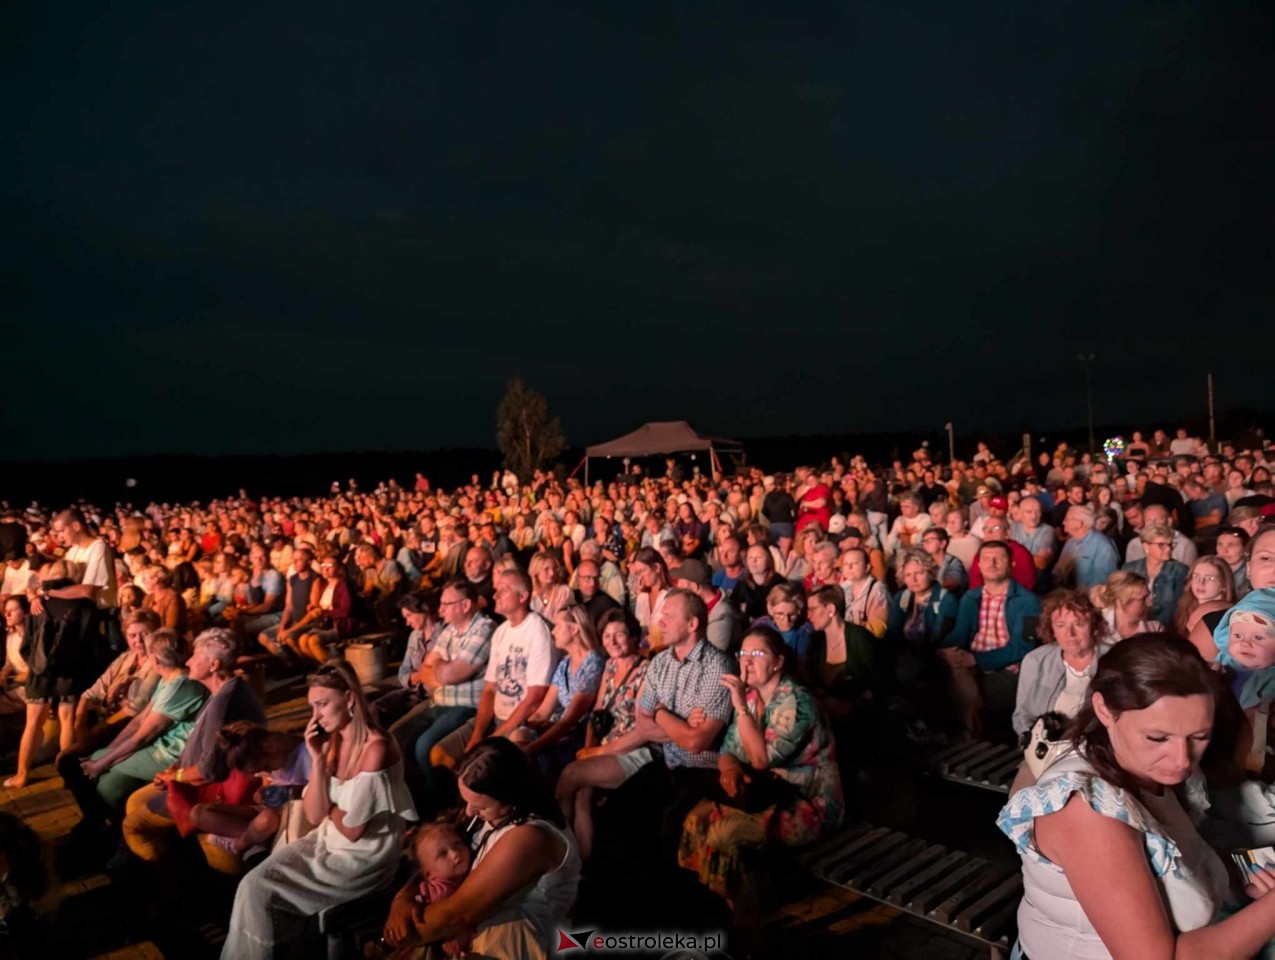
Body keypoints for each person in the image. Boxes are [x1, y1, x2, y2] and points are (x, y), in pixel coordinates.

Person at [996, 633, 1275, 958]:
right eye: (1157, 737)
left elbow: (1177, 862)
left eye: (1200, 736)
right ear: (1103, 709)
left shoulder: (1150, 766)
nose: (1182, 760)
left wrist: (1234, 880)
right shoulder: (1087, 811)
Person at [220, 662, 417, 960]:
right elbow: (314, 815)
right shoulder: (332, 740)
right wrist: (317, 760)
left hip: (364, 856)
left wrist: (329, 807)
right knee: (250, 886)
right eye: (312, 707)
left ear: (349, 698)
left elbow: (353, 830)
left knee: (262, 893)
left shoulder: (377, 748)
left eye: (322, 704)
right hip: (327, 839)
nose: (316, 716)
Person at [678, 625, 843, 917]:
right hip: (765, 794)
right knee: (694, 820)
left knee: (724, 835)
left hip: (805, 802)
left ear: (778, 661)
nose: (746, 661)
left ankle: (746, 917)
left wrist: (739, 707)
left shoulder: (797, 701)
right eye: (743, 653)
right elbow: (727, 751)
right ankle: (715, 907)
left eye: (758, 653)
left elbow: (760, 760)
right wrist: (729, 771)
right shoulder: (753, 698)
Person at [381, 738, 579, 960]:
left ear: (509, 797)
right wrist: (403, 899)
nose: (469, 812)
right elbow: (432, 862)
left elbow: (457, 914)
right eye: (467, 802)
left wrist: (393, 936)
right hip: (481, 930)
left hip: (519, 939)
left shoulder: (529, 838)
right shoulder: (490, 816)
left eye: (480, 806)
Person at [120, 628, 267, 871]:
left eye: (195, 657)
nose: (188, 661)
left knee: (134, 826)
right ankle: (183, 860)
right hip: (199, 780)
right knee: (136, 800)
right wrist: (176, 767)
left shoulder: (225, 703)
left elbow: (209, 771)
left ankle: (170, 879)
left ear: (213, 664)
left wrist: (173, 777)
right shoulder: (226, 690)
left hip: (212, 790)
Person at [59, 629, 208, 834]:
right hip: (158, 745)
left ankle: (117, 833)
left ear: (155, 659)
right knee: (84, 765)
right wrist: (107, 751)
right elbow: (138, 721)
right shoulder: (168, 679)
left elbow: (143, 735)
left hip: (169, 753)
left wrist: (101, 762)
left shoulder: (180, 684)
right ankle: (99, 825)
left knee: (106, 784)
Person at [427, 570, 553, 783]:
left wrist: (497, 735)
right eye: (496, 591)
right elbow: (489, 690)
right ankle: (459, 807)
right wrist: (477, 735)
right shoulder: (502, 632)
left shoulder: (537, 631)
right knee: (439, 755)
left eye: (503, 591)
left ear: (522, 597)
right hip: (496, 717)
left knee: (493, 765)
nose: (495, 596)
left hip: (522, 722)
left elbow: (534, 698)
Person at [556, 609, 649, 860]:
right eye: (607, 636)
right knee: (583, 795)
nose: (613, 642)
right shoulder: (608, 666)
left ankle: (556, 847)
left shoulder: (646, 670)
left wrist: (595, 752)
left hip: (634, 752)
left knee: (570, 774)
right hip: (604, 749)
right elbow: (598, 713)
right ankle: (580, 862)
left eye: (619, 635)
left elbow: (642, 730)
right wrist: (588, 749)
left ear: (633, 637)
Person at [941, 541, 1042, 737]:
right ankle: (967, 734)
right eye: (986, 559)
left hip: (1008, 667)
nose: (992, 563)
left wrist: (977, 659)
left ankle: (970, 734)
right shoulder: (971, 597)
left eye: (999, 559)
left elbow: (1023, 647)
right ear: (978, 565)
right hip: (970, 662)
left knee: (978, 693)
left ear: (1011, 563)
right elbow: (959, 634)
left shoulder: (1028, 601)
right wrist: (945, 650)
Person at [513, 605, 605, 767]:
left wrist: (530, 749)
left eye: (557, 626)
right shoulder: (565, 664)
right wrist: (522, 729)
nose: (553, 631)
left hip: (579, 734)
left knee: (524, 754)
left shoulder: (594, 662)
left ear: (574, 629)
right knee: (517, 738)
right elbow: (542, 713)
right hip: (560, 728)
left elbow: (570, 719)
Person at [1011, 590, 1111, 736]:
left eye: (1078, 624)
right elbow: (1022, 716)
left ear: (1094, 627)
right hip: (1045, 750)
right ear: (1052, 629)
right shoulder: (1035, 661)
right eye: (1060, 625)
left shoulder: (1115, 659)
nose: (1069, 634)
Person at [886, 548, 958, 683]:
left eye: (919, 573)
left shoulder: (946, 599)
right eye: (908, 575)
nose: (913, 579)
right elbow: (892, 634)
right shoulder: (901, 597)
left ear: (930, 572)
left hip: (931, 659)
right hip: (902, 655)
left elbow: (937, 638)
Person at [288, 553, 357, 666]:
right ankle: (321, 665)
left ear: (338, 568)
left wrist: (323, 612)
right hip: (324, 624)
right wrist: (314, 607)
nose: (326, 568)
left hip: (338, 624)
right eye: (323, 565)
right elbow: (321, 606)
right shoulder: (323, 584)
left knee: (314, 640)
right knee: (303, 640)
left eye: (330, 565)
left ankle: (337, 667)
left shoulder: (343, 585)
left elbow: (346, 610)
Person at [1122, 522, 1189, 627]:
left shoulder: (1179, 570)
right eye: (1161, 545)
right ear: (1146, 546)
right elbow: (1123, 603)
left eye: (1170, 545)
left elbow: (1176, 607)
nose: (1168, 549)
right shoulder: (1130, 569)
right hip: (1134, 626)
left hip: (1166, 628)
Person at [1092, 570, 1166, 645]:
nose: (1150, 603)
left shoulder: (1155, 630)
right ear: (1121, 601)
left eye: (1148, 596)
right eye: (1143, 598)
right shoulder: (1096, 628)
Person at [1056, 506, 1120, 590]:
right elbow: (1058, 571)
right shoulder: (1070, 543)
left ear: (1078, 524)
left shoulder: (1103, 546)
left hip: (1088, 599)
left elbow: (1104, 582)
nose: (1063, 522)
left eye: (1067, 518)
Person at [1173, 555, 1236, 637]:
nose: (1200, 582)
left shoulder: (1231, 616)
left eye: (1210, 578)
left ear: (1224, 584)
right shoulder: (1183, 608)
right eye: (1196, 576)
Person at [730, 544, 786, 623]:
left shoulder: (779, 583)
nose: (754, 561)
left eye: (759, 557)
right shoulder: (742, 584)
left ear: (769, 560)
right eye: (750, 558)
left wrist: (746, 609)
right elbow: (732, 606)